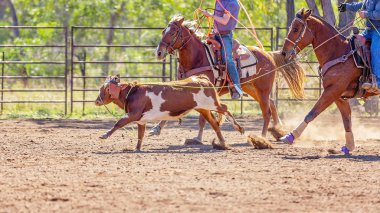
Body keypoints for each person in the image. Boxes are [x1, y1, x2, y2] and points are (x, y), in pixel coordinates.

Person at [200, 0, 243, 99]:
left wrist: (209, 15)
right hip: (215, 34)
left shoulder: (232, 4)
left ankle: (237, 86)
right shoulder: (219, 1)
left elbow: (224, 21)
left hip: (225, 36)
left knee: (227, 59)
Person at [339, 0, 380, 93]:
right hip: (369, 30)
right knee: (354, 42)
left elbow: (378, 14)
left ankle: (378, 82)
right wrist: (346, 6)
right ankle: (363, 76)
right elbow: (358, 5)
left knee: (375, 51)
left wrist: (366, 14)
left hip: (378, 31)